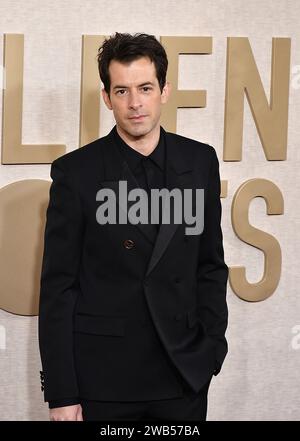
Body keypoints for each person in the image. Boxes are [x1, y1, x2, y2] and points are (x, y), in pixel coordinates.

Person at [38, 32, 228, 421]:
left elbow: (210, 265)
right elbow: (59, 288)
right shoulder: (76, 173)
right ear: (106, 97)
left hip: (182, 376)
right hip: (104, 380)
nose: (135, 103)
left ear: (164, 90)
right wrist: (62, 393)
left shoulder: (200, 161)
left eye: (145, 87)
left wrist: (210, 348)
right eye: (121, 91)